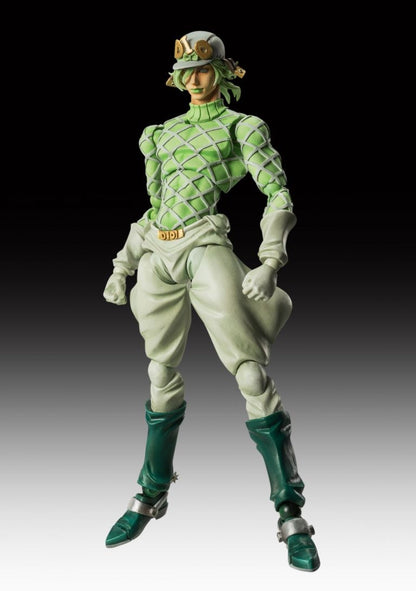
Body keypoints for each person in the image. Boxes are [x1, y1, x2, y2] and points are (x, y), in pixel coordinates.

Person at [103, 30, 320, 572]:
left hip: (205, 246)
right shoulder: (159, 134)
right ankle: (152, 490)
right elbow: (155, 208)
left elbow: (278, 192)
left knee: (250, 373)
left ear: (222, 72)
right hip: (158, 253)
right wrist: (123, 265)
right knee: (159, 372)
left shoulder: (242, 126)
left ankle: (290, 511)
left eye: (202, 70)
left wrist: (269, 261)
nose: (193, 79)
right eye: (186, 72)